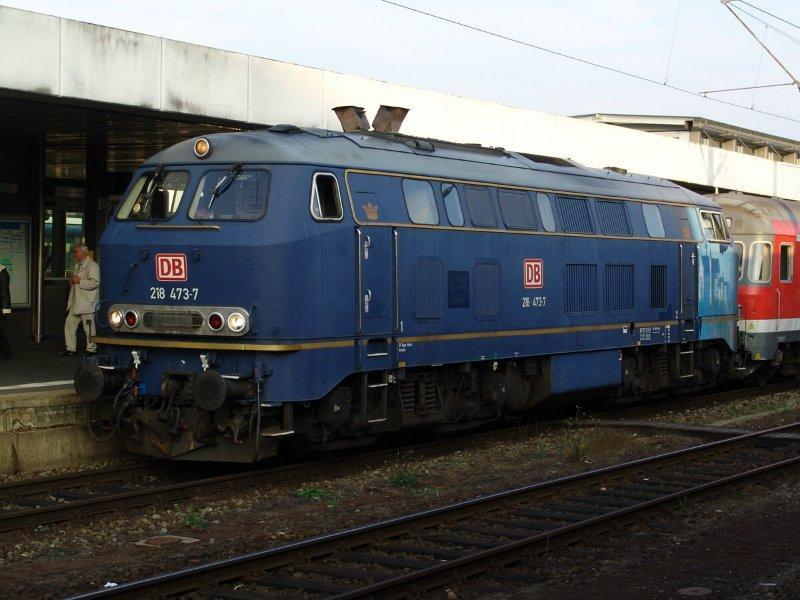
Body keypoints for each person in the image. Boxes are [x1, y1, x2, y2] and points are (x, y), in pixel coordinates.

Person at [60, 244, 100, 356]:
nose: (74, 255)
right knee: (69, 324)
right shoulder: (77, 266)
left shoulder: (92, 266)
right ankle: (70, 349)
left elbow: (95, 282)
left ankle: (91, 349)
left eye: (76, 252)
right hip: (77, 302)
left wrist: (79, 281)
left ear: (83, 252)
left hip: (87, 303)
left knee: (88, 327)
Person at [0, 263, 10, 360]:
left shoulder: (2, 271)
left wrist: (5, 309)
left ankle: (4, 351)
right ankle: (5, 351)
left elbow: (4, 291)